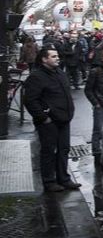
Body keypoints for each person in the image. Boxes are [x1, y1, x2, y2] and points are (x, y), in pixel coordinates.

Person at [23, 47, 81, 192]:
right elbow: (30, 100)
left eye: (57, 56)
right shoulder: (37, 77)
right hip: (49, 122)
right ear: (44, 59)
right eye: (53, 56)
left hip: (64, 119)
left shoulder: (59, 72)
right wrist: (43, 118)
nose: (57, 58)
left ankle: (64, 179)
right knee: (49, 151)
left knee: (64, 149)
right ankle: (49, 181)